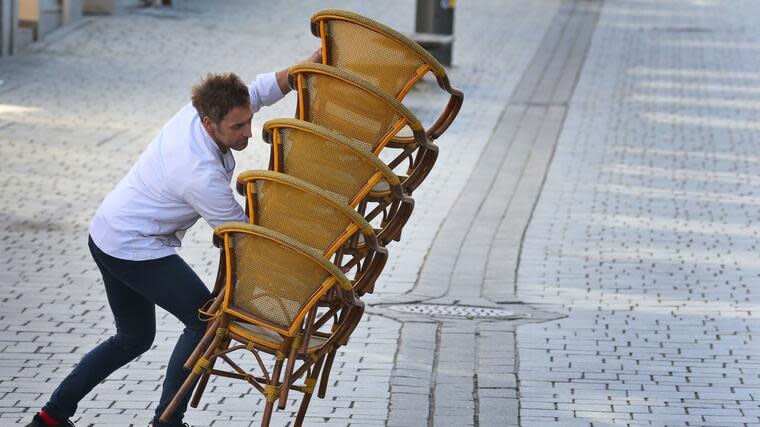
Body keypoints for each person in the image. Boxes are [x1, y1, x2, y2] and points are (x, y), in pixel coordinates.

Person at [25, 49, 322, 427]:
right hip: (132, 246)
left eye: (249, 121)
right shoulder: (197, 173)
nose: (249, 132)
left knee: (132, 339)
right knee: (204, 321)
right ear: (209, 123)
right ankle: (167, 422)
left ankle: (50, 418)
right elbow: (244, 239)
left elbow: (260, 89)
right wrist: (303, 263)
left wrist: (303, 68)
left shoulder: (207, 110)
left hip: (109, 232)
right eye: (238, 127)